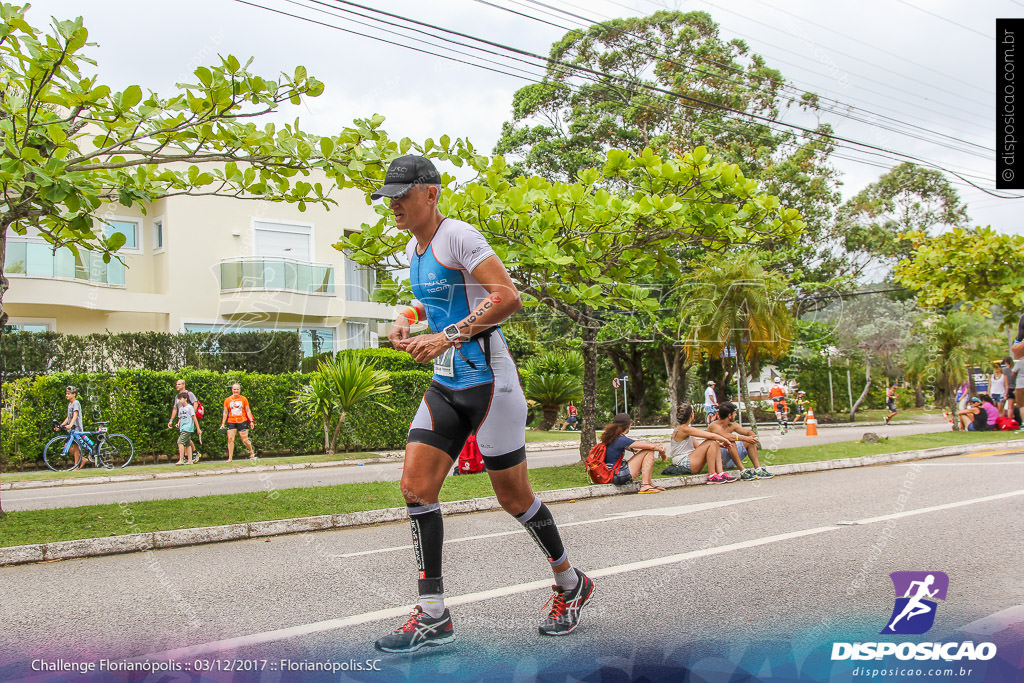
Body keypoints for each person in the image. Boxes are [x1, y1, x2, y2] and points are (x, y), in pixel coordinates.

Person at [371, 155, 594, 653]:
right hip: (447, 383)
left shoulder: (459, 236)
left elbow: (506, 297)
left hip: (492, 385)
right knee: (415, 486)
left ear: (430, 192)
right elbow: (438, 298)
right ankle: (433, 615)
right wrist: (405, 316)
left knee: (513, 498)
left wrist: (448, 336)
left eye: (402, 195)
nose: (394, 205)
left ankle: (570, 582)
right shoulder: (416, 247)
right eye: (389, 196)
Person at [600, 413, 668, 493]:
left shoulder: (612, 437)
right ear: (628, 426)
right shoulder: (621, 439)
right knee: (649, 451)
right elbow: (650, 447)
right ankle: (645, 485)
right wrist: (661, 450)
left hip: (611, 474)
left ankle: (649, 483)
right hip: (618, 475)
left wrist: (657, 448)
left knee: (647, 451)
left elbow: (637, 449)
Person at [666, 404, 735, 483]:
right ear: (692, 415)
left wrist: (719, 445)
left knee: (714, 442)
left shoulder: (684, 429)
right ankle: (712, 474)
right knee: (712, 440)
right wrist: (725, 440)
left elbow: (699, 447)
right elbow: (711, 436)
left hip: (689, 461)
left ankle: (721, 472)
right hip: (683, 463)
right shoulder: (684, 429)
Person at [709, 402, 774, 480]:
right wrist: (746, 438)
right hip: (719, 460)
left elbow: (746, 432)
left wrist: (752, 436)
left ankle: (758, 469)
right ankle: (743, 471)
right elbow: (727, 437)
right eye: (734, 413)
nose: (736, 415)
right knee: (731, 442)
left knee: (750, 441)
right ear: (729, 415)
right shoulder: (714, 426)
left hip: (731, 458)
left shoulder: (732, 425)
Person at [168, 378, 202, 465]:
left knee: (181, 441)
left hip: (188, 421)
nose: (177, 386)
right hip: (182, 421)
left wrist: (191, 414)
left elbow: (195, 403)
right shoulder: (177, 397)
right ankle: (190, 458)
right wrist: (172, 420)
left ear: (183, 385)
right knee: (187, 441)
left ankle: (183, 458)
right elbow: (175, 409)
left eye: (179, 384)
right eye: (177, 384)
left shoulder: (188, 394)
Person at [220, 383, 256, 461]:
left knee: (245, 440)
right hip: (231, 421)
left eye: (237, 389)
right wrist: (222, 424)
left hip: (242, 421)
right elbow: (225, 413)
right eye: (234, 389)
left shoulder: (244, 399)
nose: (236, 391)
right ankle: (230, 458)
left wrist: (251, 421)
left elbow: (248, 410)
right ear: (232, 390)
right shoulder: (227, 400)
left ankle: (251, 452)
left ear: (239, 390)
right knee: (230, 439)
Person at [55, 385, 86, 470]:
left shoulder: (76, 403)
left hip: (76, 428)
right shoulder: (70, 404)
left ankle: (76, 465)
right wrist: (61, 426)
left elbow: (75, 415)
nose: (67, 395)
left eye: (68, 394)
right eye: (66, 394)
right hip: (71, 429)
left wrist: (70, 425)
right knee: (67, 447)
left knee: (75, 448)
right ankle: (82, 459)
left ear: (74, 394)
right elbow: (68, 417)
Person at [174, 392, 201, 465]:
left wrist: (198, 428)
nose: (179, 400)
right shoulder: (181, 408)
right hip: (182, 427)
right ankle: (190, 460)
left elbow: (194, 417)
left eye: (181, 399)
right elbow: (180, 418)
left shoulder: (190, 407)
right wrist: (178, 423)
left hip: (188, 428)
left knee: (180, 442)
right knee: (187, 444)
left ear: (185, 399)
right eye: (179, 399)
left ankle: (181, 459)